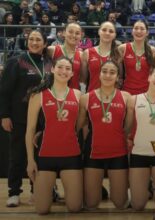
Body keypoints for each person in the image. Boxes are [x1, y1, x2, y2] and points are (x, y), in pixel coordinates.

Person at [0, 30, 52, 207]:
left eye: (38, 40)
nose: (34, 42)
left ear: (45, 43)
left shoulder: (49, 63)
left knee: (40, 156)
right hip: (19, 116)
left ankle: (36, 190)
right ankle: (14, 192)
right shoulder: (16, 61)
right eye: (31, 39)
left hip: (43, 118)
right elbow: (4, 91)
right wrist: (5, 115)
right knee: (18, 155)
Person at [25, 57, 83, 214]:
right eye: (60, 67)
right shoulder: (38, 95)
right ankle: (51, 192)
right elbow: (30, 129)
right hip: (45, 156)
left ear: (72, 74)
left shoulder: (78, 95)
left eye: (67, 69)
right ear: (52, 69)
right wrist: (30, 161)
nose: (63, 71)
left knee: (75, 207)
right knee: (42, 210)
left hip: (71, 155)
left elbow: (81, 125)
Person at [77, 60, 131, 209]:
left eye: (112, 72)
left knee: (120, 203)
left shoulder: (127, 97)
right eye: (104, 71)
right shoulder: (86, 98)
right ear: (99, 75)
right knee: (91, 204)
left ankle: (121, 191)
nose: (108, 75)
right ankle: (97, 190)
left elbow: (128, 127)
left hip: (118, 152)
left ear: (118, 77)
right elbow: (77, 126)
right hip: (94, 152)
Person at [128, 67, 155, 210]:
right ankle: (140, 188)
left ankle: (153, 189)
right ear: (149, 77)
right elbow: (127, 127)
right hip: (139, 153)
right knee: (138, 205)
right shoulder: (134, 99)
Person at [81, 21, 121, 92]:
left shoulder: (118, 54)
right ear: (99, 32)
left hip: (112, 98)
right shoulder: (87, 53)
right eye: (104, 30)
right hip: (92, 97)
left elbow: (120, 79)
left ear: (115, 35)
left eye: (111, 31)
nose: (107, 33)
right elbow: (83, 81)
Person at [118, 20, 155, 95]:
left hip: (146, 93)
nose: (139, 31)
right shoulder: (122, 48)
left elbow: (153, 74)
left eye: (142, 29)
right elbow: (119, 74)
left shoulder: (152, 50)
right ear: (132, 31)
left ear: (147, 32)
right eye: (136, 28)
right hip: (127, 92)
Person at [48, 22, 82, 90]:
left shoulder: (82, 55)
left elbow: (82, 79)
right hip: (54, 94)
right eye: (70, 32)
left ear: (81, 36)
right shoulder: (52, 50)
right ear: (64, 33)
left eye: (77, 33)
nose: (74, 35)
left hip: (73, 96)